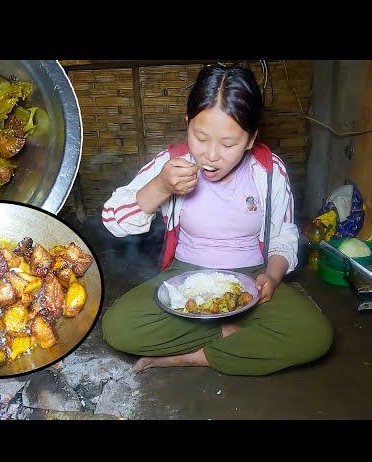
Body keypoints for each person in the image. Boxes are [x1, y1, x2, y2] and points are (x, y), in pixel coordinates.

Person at [101, 64, 333, 376]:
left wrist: (273, 277)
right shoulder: (172, 164)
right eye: (200, 136)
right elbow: (113, 218)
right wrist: (160, 187)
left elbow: (284, 234)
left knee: (315, 335)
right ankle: (230, 337)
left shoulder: (267, 170)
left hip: (250, 279)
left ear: (251, 139)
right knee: (118, 328)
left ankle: (197, 355)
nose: (211, 155)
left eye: (228, 144)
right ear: (187, 123)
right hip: (185, 278)